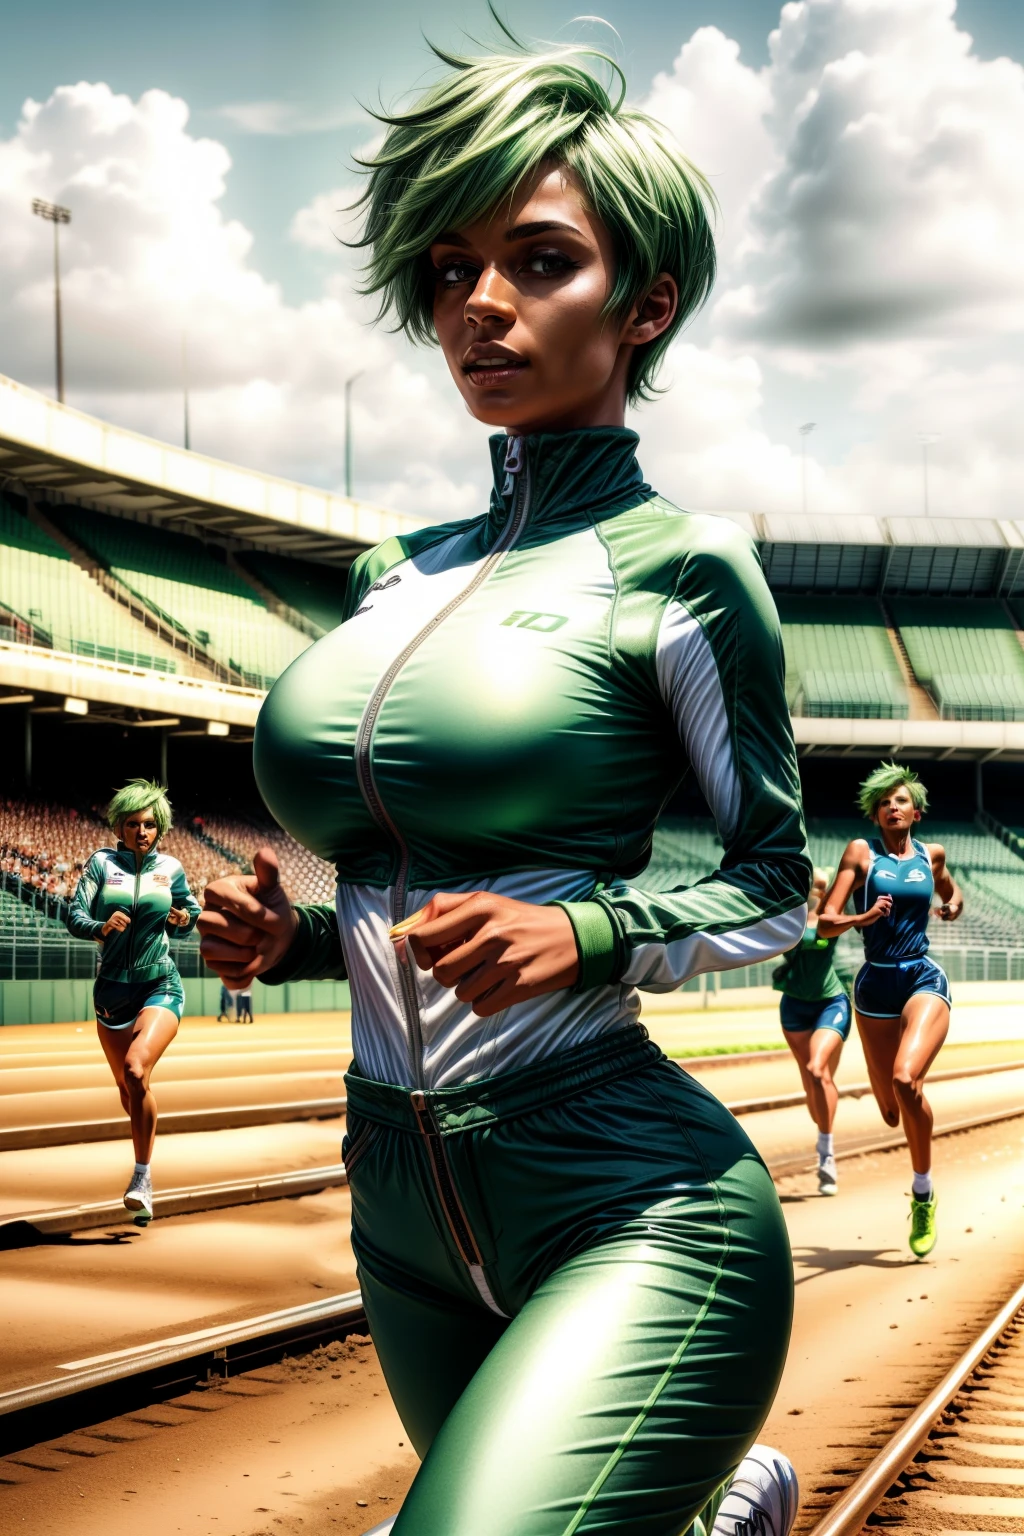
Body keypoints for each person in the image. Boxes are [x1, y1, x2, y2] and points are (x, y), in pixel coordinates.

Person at [199, 33, 812, 1536]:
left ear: (645, 303)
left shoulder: (683, 572)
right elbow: (401, 878)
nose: (480, 304)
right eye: (452, 267)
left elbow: (778, 889)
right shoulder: (390, 576)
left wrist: (589, 930)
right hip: (401, 1210)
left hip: (629, 1199)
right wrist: (288, 946)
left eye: (539, 262)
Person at [818, 763, 963, 1258]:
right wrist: (862, 917)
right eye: (883, 803)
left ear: (915, 812)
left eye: (900, 801)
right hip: (874, 985)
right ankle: (896, 1104)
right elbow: (825, 924)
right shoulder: (862, 853)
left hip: (922, 976)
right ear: (876, 815)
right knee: (888, 1112)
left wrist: (953, 904)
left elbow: (949, 889)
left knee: (906, 1081)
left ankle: (923, 1194)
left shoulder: (932, 855)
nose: (892, 807)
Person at [66, 779, 200, 1224]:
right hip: (110, 996)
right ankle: (143, 1146)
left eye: (148, 824)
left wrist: (183, 919)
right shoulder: (101, 864)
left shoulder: (172, 868)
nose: (141, 832)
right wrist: (101, 927)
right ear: (119, 827)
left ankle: (142, 1178)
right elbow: (76, 915)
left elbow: (190, 912)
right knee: (129, 1091)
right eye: (132, 824)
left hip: (159, 983)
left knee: (136, 1069)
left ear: (159, 826)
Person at [772, 869, 853, 1197]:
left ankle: (827, 1155)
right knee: (813, 1084)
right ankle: (824, 1133)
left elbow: (819, 934)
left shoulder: (830, 919)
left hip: (831, 1003)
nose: (817, 890)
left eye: (821, 886)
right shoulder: (785, 920)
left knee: (817, 1069)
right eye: (813, 885)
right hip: (793, 1008)